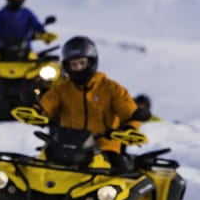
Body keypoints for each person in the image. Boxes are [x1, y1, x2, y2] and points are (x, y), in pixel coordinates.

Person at [39, 36, 140, 165]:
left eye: (82, 63)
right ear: (67, 66)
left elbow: (130, 112)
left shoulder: (111, 88)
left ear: (91, 62)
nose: (78, 68)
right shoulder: (61, 90)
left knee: (120, 174)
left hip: (104, 147)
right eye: (73, 65)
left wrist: (129, 128)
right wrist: (37, 112)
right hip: (67, 146)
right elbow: (46, 104)